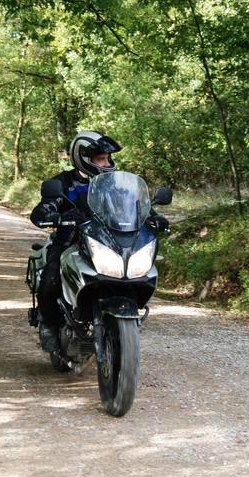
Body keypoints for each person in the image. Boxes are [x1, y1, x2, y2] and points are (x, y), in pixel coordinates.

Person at [30, 131, 169, 353]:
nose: (107, 163)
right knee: (51, 278)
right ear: (83, 158)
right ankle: (49, 324)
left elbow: (139, 208)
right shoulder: (64, 183)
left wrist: (154, 217)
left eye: (108, 158)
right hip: (70, 244)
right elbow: (45, 207)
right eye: (101, 159)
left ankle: (117, 327)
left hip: (109, 243)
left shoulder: (118, 185)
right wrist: (52, 215)